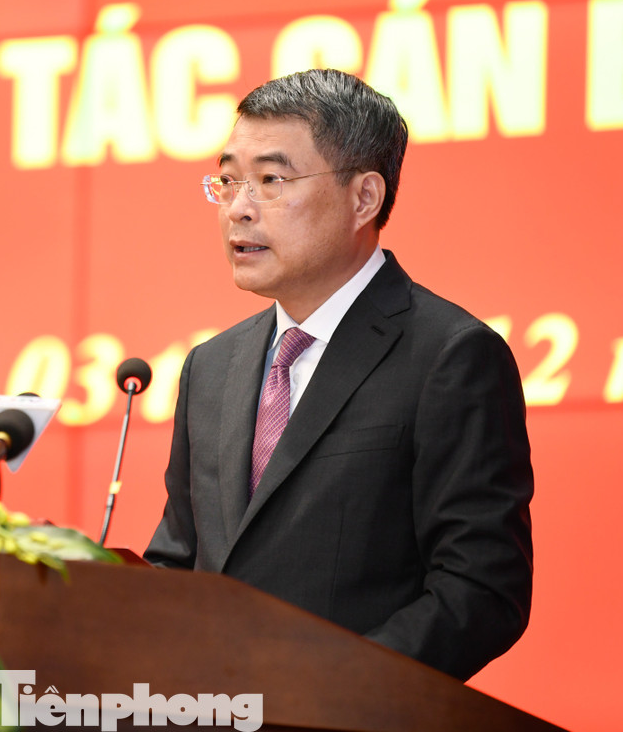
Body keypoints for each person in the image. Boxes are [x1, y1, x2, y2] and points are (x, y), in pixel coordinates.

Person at [144, 68, 533, 681]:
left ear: (364, 199)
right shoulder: (211, 367)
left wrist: (328, 688)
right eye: (229, 180)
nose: (238, 209)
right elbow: (180, 561)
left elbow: (480, 591)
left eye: (271, 181)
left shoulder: (449, 356)